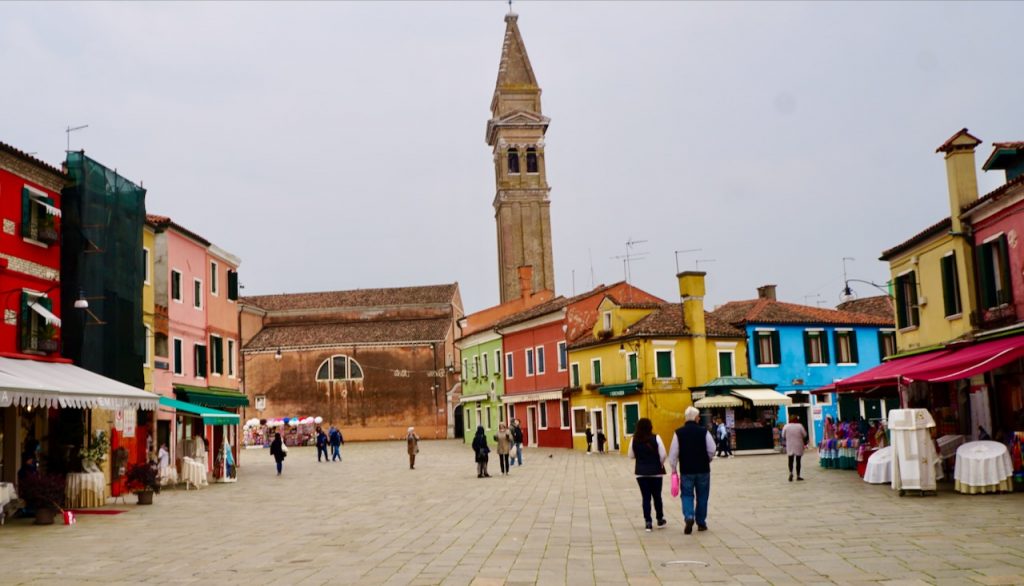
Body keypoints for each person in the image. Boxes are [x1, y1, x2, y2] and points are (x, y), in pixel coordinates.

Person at [668, 406, 715, 534]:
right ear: (695, 418)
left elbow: (673, 454)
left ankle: (689, 517)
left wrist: (673, 469)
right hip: (703, 469)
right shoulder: (704, 431)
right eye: (699, 416)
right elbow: (712, 449)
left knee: (687, 495)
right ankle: (701, 523)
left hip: (686, 470)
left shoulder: (678, 433)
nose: (699, 418)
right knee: (702, 496)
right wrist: (707, 459)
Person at [628, 418, 667, 532]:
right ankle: (660, 519)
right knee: (657, 496)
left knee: (646, 497)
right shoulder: (656, 438)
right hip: (656, 472)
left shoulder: (634, 439)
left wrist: (641, 458)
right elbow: (663, 454)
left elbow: (630, 455)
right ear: (650, 427)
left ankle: (648, 522)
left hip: (641, 472)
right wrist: (659, 463)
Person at [783, 415, 808, 481]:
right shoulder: (800, 426)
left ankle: (791, 473)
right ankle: (798, 475)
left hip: (790, 445)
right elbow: (805, 434)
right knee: (798, 461)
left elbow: (783, 435)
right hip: (798, 445)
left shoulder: (786, 426)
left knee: (790, 460)